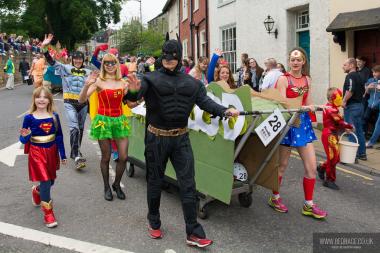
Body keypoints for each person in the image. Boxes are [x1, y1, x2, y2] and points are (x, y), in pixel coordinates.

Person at [123, 35, 239, 248]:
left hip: (181, 139)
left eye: (172, 57)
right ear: (162, 57)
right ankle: (154, 221)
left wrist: (225, 111)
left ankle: (193, 231)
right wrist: (131, 90)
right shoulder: (149, 79)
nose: (168, 60)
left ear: (179, 57)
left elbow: (206, 103)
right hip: (156, 138)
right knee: (155, 181)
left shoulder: (192, 83)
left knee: (188, 185)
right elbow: (131, 103)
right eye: (165, 56)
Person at [269, 47, 327, 219]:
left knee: (311, 167)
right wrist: (303, 108)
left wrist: (316, 115)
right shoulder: (283, 80)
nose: (295, 62)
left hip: (303, 125)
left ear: (303, 62)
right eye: (292, 59)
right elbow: (282, 105)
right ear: (289, 62)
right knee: (282, 166)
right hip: (288, 125)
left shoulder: (307, 79)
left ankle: (308, 205)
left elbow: (308, 101)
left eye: (298, 59)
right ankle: (275, 197)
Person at [79, 54, 130, 201]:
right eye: (106, 63)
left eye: (112, 62)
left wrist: (134, 90)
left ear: (117, 64)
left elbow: (130, 102)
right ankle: (106, 187)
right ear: (103, 65)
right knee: (106, 157)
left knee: (123, 157)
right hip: (103, 121)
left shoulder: (123, 82)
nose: (109, 65)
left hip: (119, 120)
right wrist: (87, 84)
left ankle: (117, 184)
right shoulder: (98, 81)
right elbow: (82, 100)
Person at [19, 87, 67, 228]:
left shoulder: (54, 116)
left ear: (49, 100)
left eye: (45, 97)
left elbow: (59, 136)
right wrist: (25, 136)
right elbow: (23, 140)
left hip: (51, 152)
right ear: (34, 99)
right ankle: (48, 213)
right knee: (46, 181)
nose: (41, 99)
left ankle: (37, 191)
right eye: (38, 97)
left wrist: (62, 154)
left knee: (51, 181)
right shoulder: (29, 117)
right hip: (37, 153)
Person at [41, 34, 90, 169]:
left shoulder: (88, 72)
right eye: (76, 58)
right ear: (72, 59)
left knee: (80, 129)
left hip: (83, 104)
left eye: (80, 58)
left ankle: (76, 150)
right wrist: (44, 47)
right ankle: (77, 156)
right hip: (69, 102)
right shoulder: (65, 68)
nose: (78, 60)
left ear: (83, 60)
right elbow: (51, 61)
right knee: (74, 128)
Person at [317, 88, 353, 190]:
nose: (341, 99)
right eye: (339, 97)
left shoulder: (331, 107)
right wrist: (350, 126)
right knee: (333, 159)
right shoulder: (331, 109)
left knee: (335, 158)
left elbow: (337, 123)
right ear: (332, 98)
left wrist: (345, 128)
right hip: (329, 136)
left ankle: (322, 168)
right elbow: (341, 122)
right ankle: (329, 180)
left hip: (332, 135)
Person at [342, 58, 367, 161]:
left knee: (351, 130)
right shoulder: (360, 76)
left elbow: (350, 90)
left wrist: (344, 101)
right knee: (359, 130)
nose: (342, 66)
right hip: (360, 106)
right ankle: (362, 154)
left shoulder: (350, 76)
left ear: (352, 65)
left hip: (352, 107)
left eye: (345, 64)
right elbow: (364, 90)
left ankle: (353, 156)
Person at [365, 65, 380, 148]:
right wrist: (368, 87)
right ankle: (371, 141)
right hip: (371, 106)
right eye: (373, 72)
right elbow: (366, 92)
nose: (373, 74)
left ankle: (371, 142)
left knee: (378, 124)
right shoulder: (371, 80)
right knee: (366, 118)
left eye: (375, 72)